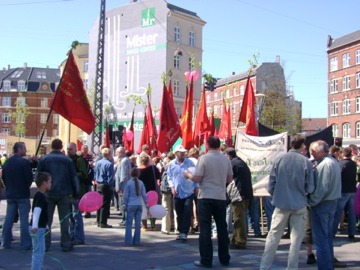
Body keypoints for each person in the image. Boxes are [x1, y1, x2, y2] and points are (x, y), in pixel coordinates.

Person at [260, 134, 315, 270]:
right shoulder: (305, 161)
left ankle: (264, 266)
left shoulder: (279, 159)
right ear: (302, 146)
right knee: (296, 241)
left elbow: (271, 183)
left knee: (273, 238)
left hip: (281, 203)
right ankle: (291, 268)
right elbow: (310, 187)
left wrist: (277, 195)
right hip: (299, 203)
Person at [184, 136, 233, 268]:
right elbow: (229, 179)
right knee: (222, 228)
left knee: (205, 229)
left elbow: (198, 178)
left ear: (207, 145)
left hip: (205, 196)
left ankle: (206, 260)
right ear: (218, 145)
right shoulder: (225, 159)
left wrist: (188, 175)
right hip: (220, 196)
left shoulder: (204, 158)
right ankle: (224, 258)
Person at [37, 139, 79, 252]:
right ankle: (65, 243)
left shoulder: (44, 159)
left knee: (47, 220)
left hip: (48, 192)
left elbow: (38, 176)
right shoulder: (67, 160)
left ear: (51, 146)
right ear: (61, 147)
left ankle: (45, 244)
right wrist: (76, 194)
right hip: (64, 193)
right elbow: (74, 178)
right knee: (64, 220)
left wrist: (40, 190)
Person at [309, 140, 343, 269]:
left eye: (314, 151)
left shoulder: (325, 164)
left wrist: (311, 202)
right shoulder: (333, 162)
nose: (312, 154)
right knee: (327, 237)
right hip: (331, 202)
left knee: (321, 239)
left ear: (323, 152)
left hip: (322, 204)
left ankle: (325, 267)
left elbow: (321, 188)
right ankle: (328, 266)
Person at [1, 142, 33, 250]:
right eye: (24, 148)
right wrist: (26, 185)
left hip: (10, 193)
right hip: (22, 193)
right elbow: (29, 178)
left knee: (9, 218)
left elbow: (3, 178)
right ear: (19, 149)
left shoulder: (7, 162)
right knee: (24, 219)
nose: (25, 150)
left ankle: (5, 242)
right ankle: (25, 243)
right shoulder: (24, 162)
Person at [224, 147, 254, 250]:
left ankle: (240, 241)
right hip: (246, 194)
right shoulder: (240, 162)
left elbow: (227, 179)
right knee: (240, 218)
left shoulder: (233, 164)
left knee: (238, 219)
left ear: (228, 156)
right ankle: (234, 239)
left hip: (238, 195)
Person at [168, 145, 198, 241]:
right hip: (177, 192)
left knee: (187, 211)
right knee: (179, 212)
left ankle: (184, 232)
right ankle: (180, 231)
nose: (183, 154)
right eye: (181, 152)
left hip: (188, 191)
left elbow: (196, 174)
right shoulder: (172, 164)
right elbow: (169, 177)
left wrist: (196, 186)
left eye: (184, 152)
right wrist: (172, 187)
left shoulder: (190, 163)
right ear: (176, 153)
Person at [333, 147, 357, 241]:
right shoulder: (353, 164)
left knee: (338, 212)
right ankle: (352, 233)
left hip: (343, 190)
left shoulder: (341, 164)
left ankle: (332, 232)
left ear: (342, 154)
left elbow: (339, 177)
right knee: (352, 213)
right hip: (352, 190)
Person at [29, 172, 52, 270]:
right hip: (37, 229)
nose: (51, 184)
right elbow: (37, 211)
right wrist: (35, 226)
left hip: (40, 228)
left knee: (40, 252)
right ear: (44, 183)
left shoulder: (40, 195)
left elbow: (42, 215)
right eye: (50, 182)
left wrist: (46, 226)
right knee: (38, 254)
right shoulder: (40, 197)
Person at [67, 142, 87, 245]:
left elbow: (83, 174)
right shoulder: (67, 160)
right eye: (67, 149)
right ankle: (72, 236)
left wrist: (72, 174)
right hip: (68, 192)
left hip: (77, 192)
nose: (68, 151)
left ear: (75, 150)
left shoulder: (79, 160)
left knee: (77, 216)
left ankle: (79, 237)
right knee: (70, 216)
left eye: (70, 149)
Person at [123, 168, 148, 246]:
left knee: (129, 223)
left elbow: (125, 195)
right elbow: (144, 194)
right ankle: (137, 241)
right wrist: (146, 204)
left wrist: (125, 204)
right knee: (138, 223)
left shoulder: (129, 183)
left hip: (131, 203)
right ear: (138, 174)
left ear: (130, 174)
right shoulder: (141, 183)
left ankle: (128, 241)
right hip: (139, 203)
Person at [138, 155, 161, 231]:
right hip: (152, 191)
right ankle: (153, 225)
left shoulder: (137, 170)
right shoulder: (153, 168)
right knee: (153, 208)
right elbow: (159, 177)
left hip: (142, 192)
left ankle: (144, 226)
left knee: (143, 209)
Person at [95, 147, 115, 228]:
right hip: (105, 185)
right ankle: (103, 222)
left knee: (99, 203)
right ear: (109, 154)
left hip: (98, 184)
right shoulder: (109, 164)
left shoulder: (98, 162)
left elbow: (95, 173)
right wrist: (111, 186)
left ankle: (98, 220)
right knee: (105, 204)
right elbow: (110, 177)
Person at [115, 146, 132, 225]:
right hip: (123, 187)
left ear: (120, 153)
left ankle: (125, 219)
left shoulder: (124, 161)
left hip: (123, 187)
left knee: (123, 203)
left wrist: (121, 187)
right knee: (123, 203)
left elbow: (124, 175)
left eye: (117, 152)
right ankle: (124, 219)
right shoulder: (123, 160)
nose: (116, 154)